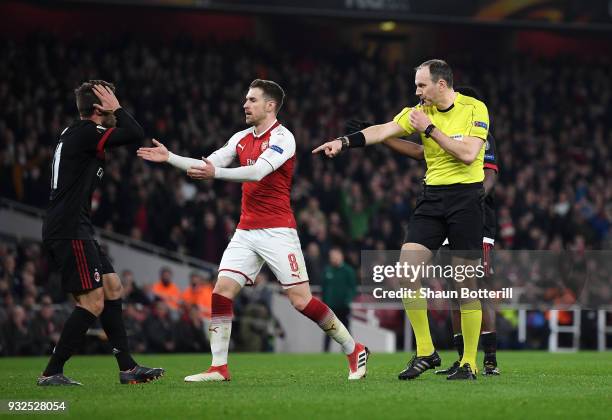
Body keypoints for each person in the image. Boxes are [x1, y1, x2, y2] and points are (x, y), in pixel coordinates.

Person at [137, 79, 369, 381]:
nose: (245, 105)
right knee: (221, 291)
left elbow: (258, 171)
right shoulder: (241, 137)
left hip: (278, 230)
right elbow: (209, 163)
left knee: (300, 300)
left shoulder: (285, 138)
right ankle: (218, 367)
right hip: (246, 230)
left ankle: (354, 348)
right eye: (246, 100)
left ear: (270, 105)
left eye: (252, 100)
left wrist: (215, 174)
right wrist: (170, 158)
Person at [314, 60, 489, 380]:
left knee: (465, 282)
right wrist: (344, 142)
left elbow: (466, 154)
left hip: (466, 199)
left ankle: (469, 362)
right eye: (416, 85)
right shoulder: (418, 113)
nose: (417, 91)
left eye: (422, 85)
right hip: (432, 198)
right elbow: (382, 130)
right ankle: (426, 352)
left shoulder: (475, 108)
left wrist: (429, 129)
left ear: (442, 84)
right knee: (405, 271)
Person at [347, 86, 501, 376]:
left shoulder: (479, 129)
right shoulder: (428, 120)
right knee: (446, 287)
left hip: (472, 213)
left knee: (472, 286)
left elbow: (487, 169)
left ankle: (487, 359)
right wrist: (381, 138)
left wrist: (479, 196)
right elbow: (419, 151)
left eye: (422, 85)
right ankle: (443, 355)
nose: (418, 92)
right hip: (437, 206)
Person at [39, 80, 164, 386]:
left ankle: (128, 368)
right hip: (69, 229)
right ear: (99, 108)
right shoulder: (85, 132)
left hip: (76, 226)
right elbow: (135, 133)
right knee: (92, 303)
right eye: (109, 101)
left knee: (112, 287)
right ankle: (52, 372)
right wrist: (118, 109)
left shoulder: (75, 133)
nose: (114, 107)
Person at [322, 248, 357, 352]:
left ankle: (349, 350)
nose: (333, 259)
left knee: (345, 329)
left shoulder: (348, 271)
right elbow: (324, 288)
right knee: (328, 330)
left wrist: (348, 300)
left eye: (335, 256)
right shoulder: (327, 270)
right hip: (330, 307)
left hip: (343, 306)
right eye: (332, 257)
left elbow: (352, 288)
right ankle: (325, 351)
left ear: (341, 256)